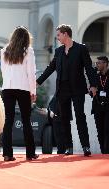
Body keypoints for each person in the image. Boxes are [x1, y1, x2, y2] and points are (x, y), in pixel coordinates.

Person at [37, 24, 98, 156]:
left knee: (80, 116)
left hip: (77, 88)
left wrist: (93, 85)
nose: (57, 37)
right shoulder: (59, 51)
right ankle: (68, 147)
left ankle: (85, 147)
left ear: (65, 34)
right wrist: (38, 82)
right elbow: (50, 68)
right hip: (62, 89)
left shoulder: (81, 49)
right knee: (64, 118)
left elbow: (89, 68)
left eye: (58, 34)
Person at [1, 26, 38, 161]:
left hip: (7, 88)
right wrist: (33, 91)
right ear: (26, 38)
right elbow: (31, 73)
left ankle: (7, 154)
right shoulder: (28, 51)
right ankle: (30, 153)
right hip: (23, 88)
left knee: (8, 121)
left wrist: (6, 86)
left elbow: (4, 72)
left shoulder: (5, 50)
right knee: (26, 121)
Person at [91, 56, 109, 154]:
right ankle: (103, 152)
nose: (97, 65)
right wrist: (91, 91)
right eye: (96, 63)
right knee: (100, 131)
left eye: (99, 63)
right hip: (98, 106)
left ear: (105, 63)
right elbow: (92, 93)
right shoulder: (95, 76)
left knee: (108, 130)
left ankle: (106, 152)